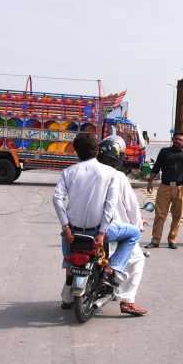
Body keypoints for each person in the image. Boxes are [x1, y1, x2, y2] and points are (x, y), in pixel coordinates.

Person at [52, 133, 141, 310]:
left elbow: (57, 199)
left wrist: (65, 226)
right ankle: (112, 269)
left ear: (76, 151)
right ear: (97, 150)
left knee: (68, 252)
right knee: (134, 234)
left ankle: (70, 276)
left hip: (73, 232)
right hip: (100, 232)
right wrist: (101, 232)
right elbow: (110, 205)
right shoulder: (112, 174)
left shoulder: (68, 172)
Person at [98, 137, 148, 316]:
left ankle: (67, 297)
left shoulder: (88, 172)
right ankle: (127, 300)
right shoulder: (118, 177)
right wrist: (138, 225)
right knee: (137, 258)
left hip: (81, 227)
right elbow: (132, 207)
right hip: (113, 229)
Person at [146, 132, 183, 249]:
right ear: (172, 139)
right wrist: (150, 182)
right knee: (160, 215)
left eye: (180, 140)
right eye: (176, 139)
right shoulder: (164, 152)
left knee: (177, 215)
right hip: (165, 187)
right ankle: (155, 240)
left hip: (180, 188)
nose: (178, 141)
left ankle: (172, 239)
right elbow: (156, 167)